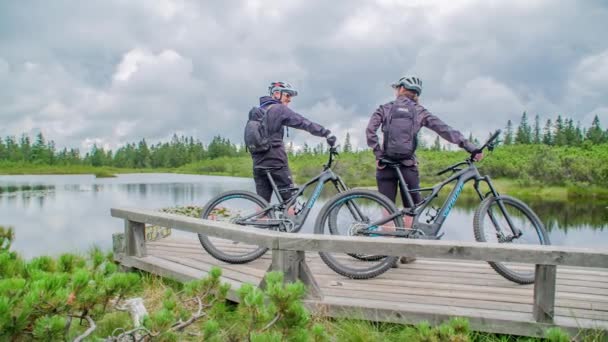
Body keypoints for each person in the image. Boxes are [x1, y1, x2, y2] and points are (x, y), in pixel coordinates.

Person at [366, 75, 482, 264]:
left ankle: (389, 255)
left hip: (386, 165)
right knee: (412, 209)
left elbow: (370, 131)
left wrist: (379, 154)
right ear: (416, 93)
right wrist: (469, 146)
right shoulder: (419, 111)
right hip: (408, 166)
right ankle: (407, 253)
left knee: (388, 209)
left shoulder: (385, 108)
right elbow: (444, 129)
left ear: (401, 89)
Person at [249, 81, 336, 203]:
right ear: (277, 94)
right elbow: (303, 122)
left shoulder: (256, 111)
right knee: (290, 201)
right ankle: (292, 222)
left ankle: (259, 220)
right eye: (287, 95)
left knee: (262, 202)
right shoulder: (279, 109)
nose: (289, 100)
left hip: (258, 162)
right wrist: (326, 133)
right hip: (276, 162)